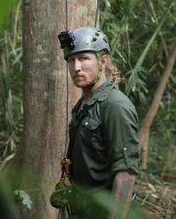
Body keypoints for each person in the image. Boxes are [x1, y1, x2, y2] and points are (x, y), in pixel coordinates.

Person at [56, 26, 139, 218]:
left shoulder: (115, 105)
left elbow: (125, 173)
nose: (76, 67)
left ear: (102, 62)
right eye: (71, 59)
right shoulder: (83, 105)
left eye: (84, 58)